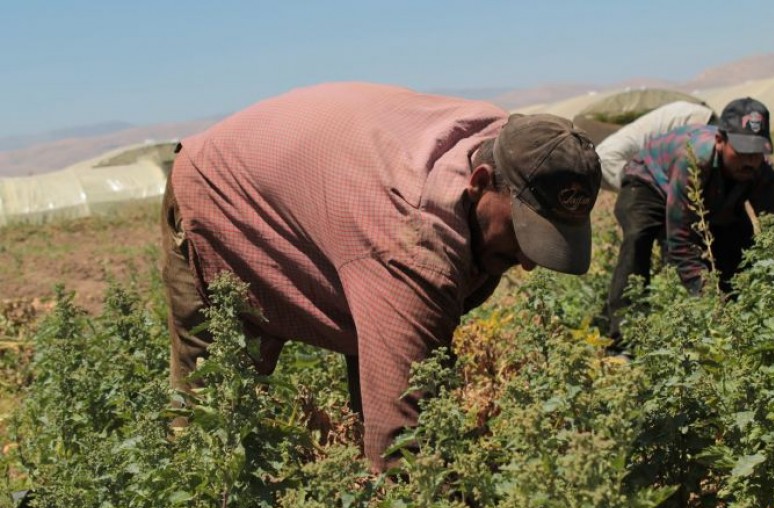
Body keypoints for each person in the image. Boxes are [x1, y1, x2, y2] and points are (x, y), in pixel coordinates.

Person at [161, 82, 602, 472]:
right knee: (213, 409)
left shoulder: (516, 146)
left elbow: (416, 355)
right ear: (480, 181)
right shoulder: (409, 238)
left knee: (400, 353)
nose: (527, 263)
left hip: (336, 192)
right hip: (217, 186)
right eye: (523, 234)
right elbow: (403, 441)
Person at [606, 97, 774, 349]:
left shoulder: (762, 171)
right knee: (639, 237)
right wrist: (709, 300)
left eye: (756, 152)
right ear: (720, 140)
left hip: (713, 194)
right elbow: (682, 242)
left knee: (739, 251)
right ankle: (624, 340)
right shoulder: (693, 161)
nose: (749, 160)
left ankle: (739, 331)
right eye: (742, 151)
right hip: (648, 180)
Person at [596, 101, 716, 192]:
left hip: (696, 121)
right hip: (695, 116)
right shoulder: (606, 155)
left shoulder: (605, 161)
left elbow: (637, 190)